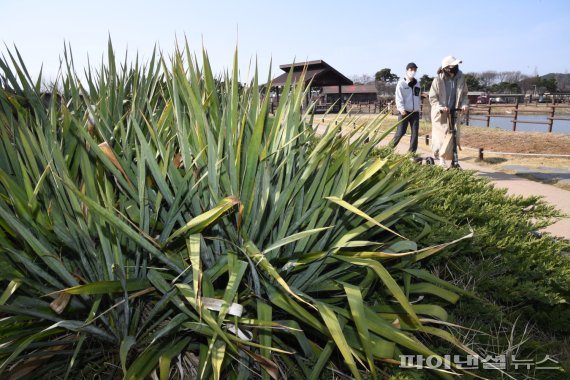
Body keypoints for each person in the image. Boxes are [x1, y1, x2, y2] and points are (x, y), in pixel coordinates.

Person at [429, 56, 469, 167]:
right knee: (442, 137)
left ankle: (453, 160)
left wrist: (464, 104)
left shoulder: (460, 78)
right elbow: (432, 98)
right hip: (441, 113)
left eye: (456, 65)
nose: (455, 67)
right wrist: (440, 107)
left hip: (454, 112)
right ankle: (441, 160)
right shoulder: (438, 80)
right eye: (453, 66)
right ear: (446, 68)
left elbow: (465, 94)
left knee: (453, 137)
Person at [390, 62, 421, 153]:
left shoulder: (417, 83)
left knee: (415, 133)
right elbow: (398, 98)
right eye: (411, 69)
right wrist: (401, 109)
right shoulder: (401, 84)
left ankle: (411, 153)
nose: (413, 71)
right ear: (407, 70)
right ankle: (388, 149)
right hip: (404, 112)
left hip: (415, 112)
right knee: (401, 132)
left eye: (415, 70)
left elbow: (417, 96)